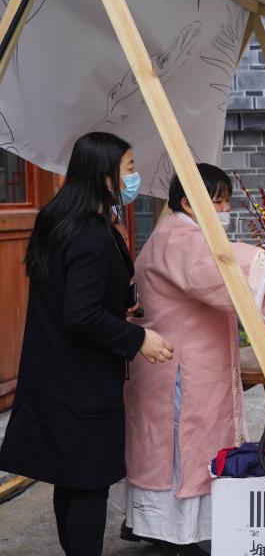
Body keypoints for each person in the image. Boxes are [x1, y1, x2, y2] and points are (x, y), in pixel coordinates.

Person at [0, 132, 173, 556]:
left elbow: (72, 298)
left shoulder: (59, 219)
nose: (133, 178)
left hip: (52, 372)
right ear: (104, 176)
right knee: (90, 484)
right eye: (129, 169)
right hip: (81, 381)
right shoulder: (90, 235)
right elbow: (81, 315)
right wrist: (138, 339)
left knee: (70, 477)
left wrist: (119, 307)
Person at [122, 164, 265, 551]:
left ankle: (179, 529)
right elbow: (218, 269)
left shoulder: (185, 233)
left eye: (227, 199)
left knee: (195, 445)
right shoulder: (179, 237)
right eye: (217, 200)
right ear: (186, 202)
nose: (225, 207)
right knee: (184, 451)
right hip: (179, 367)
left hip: (192, 362)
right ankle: (175, 532)